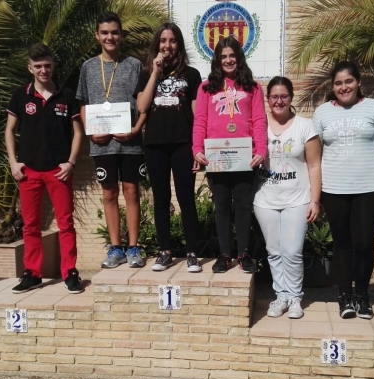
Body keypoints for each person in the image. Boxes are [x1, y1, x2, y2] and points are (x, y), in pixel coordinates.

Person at [312, 61, 374, 320]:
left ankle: (362, 294)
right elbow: (314, 155)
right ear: (332, 86)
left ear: (358, 82)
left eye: (348, 81)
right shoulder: (322, 112)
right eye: (338, 83)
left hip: (368, 189)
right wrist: (315, 194)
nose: (344, 86)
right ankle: (344, 296)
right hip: (334, 188)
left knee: (363, 245)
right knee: (342, 246)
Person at [6, 43, 83, 294]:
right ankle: (33, 273)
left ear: (53, 66)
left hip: (58, 171)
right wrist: (13, 162)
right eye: (38, 66)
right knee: (30, 225)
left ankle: (70, 272)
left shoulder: (66, 95)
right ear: (30, 68)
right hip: (29, 171)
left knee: (66, 223)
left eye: (47, 65)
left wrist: (70, 162)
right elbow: (9, 130)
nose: (43, 70)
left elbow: (78, 132)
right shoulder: (21, 96)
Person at [77, 11, 147, 269]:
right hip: (101, 143)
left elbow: (144, 105)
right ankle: (115, 248)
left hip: (129, 142)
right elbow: (83, 103)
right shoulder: (88, 67)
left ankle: (134, 248)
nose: (110, 37)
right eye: (105, 33)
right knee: (109, 193)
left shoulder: (134, 65)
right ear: (97, 36)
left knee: (131, 192)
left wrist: (136, 130)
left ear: (122, 35)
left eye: (114, 32)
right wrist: (89, 131)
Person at [192, 35, 267, 274]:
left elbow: (259, 120)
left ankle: (244, 254)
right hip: (217, 158)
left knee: (244, 207)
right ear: (217, 60)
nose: (228, 60)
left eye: (232, 55)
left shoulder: (252, 87)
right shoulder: (206, 87)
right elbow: (200, 120)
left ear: (239, 57)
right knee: (222, 206)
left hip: (245, 158)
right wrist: (197, 150)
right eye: (223, 56)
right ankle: (224, 255)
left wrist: (261, 150)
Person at [134, 23, 203, 272]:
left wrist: (198, 147)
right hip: (155, 145)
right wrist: (154, 72)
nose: (167, 45)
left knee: (186, 199)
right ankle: (165, 252)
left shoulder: (192, 74)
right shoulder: (146, 73)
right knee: (161, 200)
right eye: (163, 40)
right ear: (157, 45)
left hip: (183, 144)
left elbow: (197, 115)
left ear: (179, 45)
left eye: (172, 40)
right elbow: (142, 106)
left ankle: (192, 252)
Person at [254, 77, 322, 319]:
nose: (279, 101)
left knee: (292, 251)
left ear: (291, 98)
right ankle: (280, 296)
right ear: (268, 99)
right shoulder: (259, 125)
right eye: (274, 97)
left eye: (284, 96)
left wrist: (315, 200)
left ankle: (294, 297)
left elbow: (314, 165)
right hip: (265, 198)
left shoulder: (305, 126)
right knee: (273, 251)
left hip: (298, 198)